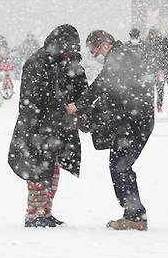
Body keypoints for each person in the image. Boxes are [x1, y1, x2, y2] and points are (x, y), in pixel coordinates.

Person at [66, 30, 154, 231]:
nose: (97, 55)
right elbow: (110, 91)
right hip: (135, 118)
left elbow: (102, 86)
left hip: (134, 121)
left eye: (95, 51)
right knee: (120, 165)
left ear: (105, 44)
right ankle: (134, 213)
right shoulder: (123, 56)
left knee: (120, 165)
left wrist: (80, 105)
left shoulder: (118, 58)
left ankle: (135, 216)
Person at [7, 24, 87, 228]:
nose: (70, 52)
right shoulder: (38, 62)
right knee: (38, 169)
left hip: (57, 125)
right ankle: (34, 214)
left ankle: (46, 211)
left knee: (52, 169)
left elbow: (79, 90)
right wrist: (47, 118)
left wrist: (78, 109)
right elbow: (32, 99)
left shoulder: (66, 62)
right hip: (39, 125)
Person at [143, 28, 164, 113]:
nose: (153, 36)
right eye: (152, 34)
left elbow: (163, 57)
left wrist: (161, 68)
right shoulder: (146, 44)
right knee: (149, 89)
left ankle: (159, 105)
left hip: (159, 69)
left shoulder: (161, 43)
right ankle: (151, 105)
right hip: (150, 69)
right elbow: (144, 57)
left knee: (160, 89)